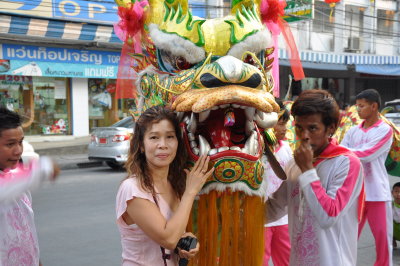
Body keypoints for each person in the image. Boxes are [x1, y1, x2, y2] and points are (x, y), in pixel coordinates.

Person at [266, 89, 364, 265]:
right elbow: (275, 207)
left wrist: (307, 170)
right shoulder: (294, 163)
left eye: (312, 128)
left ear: (331, 128)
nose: (304, 136)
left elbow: (328, 216)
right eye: (299, 128)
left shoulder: (347, 163)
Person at [115, 105, 213, 266]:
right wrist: (190, 192)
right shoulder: (132, 189)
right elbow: (168, 238)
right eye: (154, 137)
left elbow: (175, 236)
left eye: (170, 137)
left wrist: (185, 244)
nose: (163, 145)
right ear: (141, 145)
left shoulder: (174, 184)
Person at [0, 107, 59, 266]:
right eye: (10, 144)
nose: (18, 150)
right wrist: (44, 167)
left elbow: (26, 235)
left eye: (20, 142)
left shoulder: (18, 184)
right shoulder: (11, 185)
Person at [341, 89, 393, 266]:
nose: (358, 110)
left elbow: (367, 153)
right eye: (357, 106)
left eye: (361, 106)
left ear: (374, 106)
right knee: (347, 236)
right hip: (355, 192)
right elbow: (341, 154)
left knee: (382, 237)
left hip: (377, 192)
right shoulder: (353, 131)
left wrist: (341, 151)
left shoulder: (385, 130)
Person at [262, 99, 291, 266]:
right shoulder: (255, 150)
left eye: (285, 123)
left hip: (283, 218)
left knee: (286, 260)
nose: (284, 128)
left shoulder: (287, 148)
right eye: (280, 123)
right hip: (261, 218)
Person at [392, 182, 400, 248]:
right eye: (396, 191)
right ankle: (392, 240)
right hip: (394, 231)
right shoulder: (390, 205)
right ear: (392, 193)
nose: (398, 194)